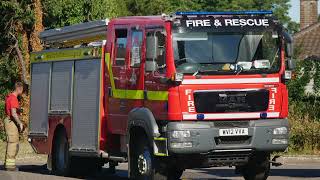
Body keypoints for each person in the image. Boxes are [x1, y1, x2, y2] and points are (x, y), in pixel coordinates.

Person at [4, 82, 24, 171]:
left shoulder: (9, 97)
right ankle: (10, 166)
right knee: (13, 143)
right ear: (19, 89)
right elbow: (13, 113)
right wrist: (20, 123)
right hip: (11, 122)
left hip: (8, 121)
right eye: (22, 90)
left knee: (10, 142)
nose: (22, 92)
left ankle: (7, 164)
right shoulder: (13, 98)